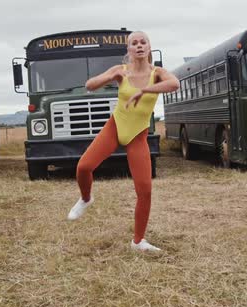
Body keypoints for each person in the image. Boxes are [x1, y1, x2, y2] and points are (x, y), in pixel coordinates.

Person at [67, 31, 180, 251]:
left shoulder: (157, 73)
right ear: (128, 50)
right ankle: (86, 198)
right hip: (115, 127)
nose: (139, 46)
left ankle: (138, 241)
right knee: (84, 167)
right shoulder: (121, 71)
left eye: (143, 42)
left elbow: (174, 84)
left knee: (145, 190)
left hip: (138, 135)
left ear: (149, 47)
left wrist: (144, 90)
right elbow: (90, 85)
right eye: (134, 43)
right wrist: (109, 76)